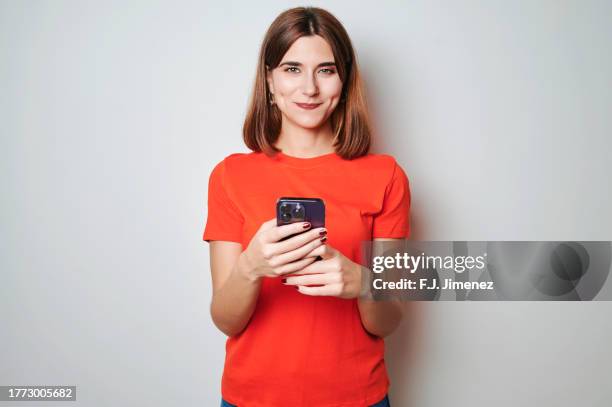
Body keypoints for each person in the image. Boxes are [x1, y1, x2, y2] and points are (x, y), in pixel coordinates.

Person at [203, 6, 410, 407]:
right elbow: (226, 320)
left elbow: (387, 322)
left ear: (344, 79)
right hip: (252, 398)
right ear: (269, 80)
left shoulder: (386, 176)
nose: (309, 88)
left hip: (357, 397)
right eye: (292, 69)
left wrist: (364, 282)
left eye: (326, 70)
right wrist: (251, 267)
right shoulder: (230, 176)